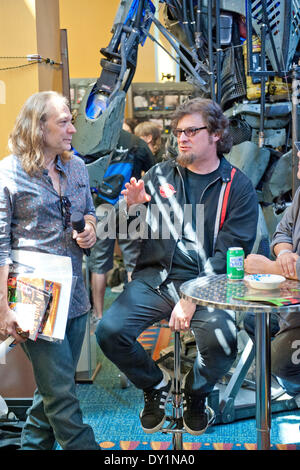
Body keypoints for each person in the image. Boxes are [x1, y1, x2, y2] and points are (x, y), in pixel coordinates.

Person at [96, 97, 258, 436]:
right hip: (155, 279)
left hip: (209, 285)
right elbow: (128, 232)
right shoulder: (159, 174)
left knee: (223, 342)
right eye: (178, 131)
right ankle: (154, 385)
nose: (181, 138)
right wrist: (133, 209)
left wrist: (193, 296)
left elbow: (231, 251)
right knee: (109, 331)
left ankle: (197, 392)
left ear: (215, 134)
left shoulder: (237, 186)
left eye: (191, 131)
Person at [0, 91, 99, 450]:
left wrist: (90, 228)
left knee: (50, 392)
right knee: (62, 395)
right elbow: (0, 247)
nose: (73, 128)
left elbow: (90, 212)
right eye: (64, 121)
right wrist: (3, 308)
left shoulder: (77, 167)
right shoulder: (8, 172)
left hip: (74, 295)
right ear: (38, 126)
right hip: (31, 295)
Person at [244, 148, 300, 397]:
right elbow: (282, 232)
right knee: (252, 320)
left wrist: (271, 268)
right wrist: (285, 254)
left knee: (279, 359)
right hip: (293, 304)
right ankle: (292, 386)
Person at [89, 129, 154, 321]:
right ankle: (133, 312)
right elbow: (153, 173)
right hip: (130, 207)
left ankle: (98, 314)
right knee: (132, 263)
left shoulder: (96, 140)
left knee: (99, 265)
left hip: (101, 207)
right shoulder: (137, 143)